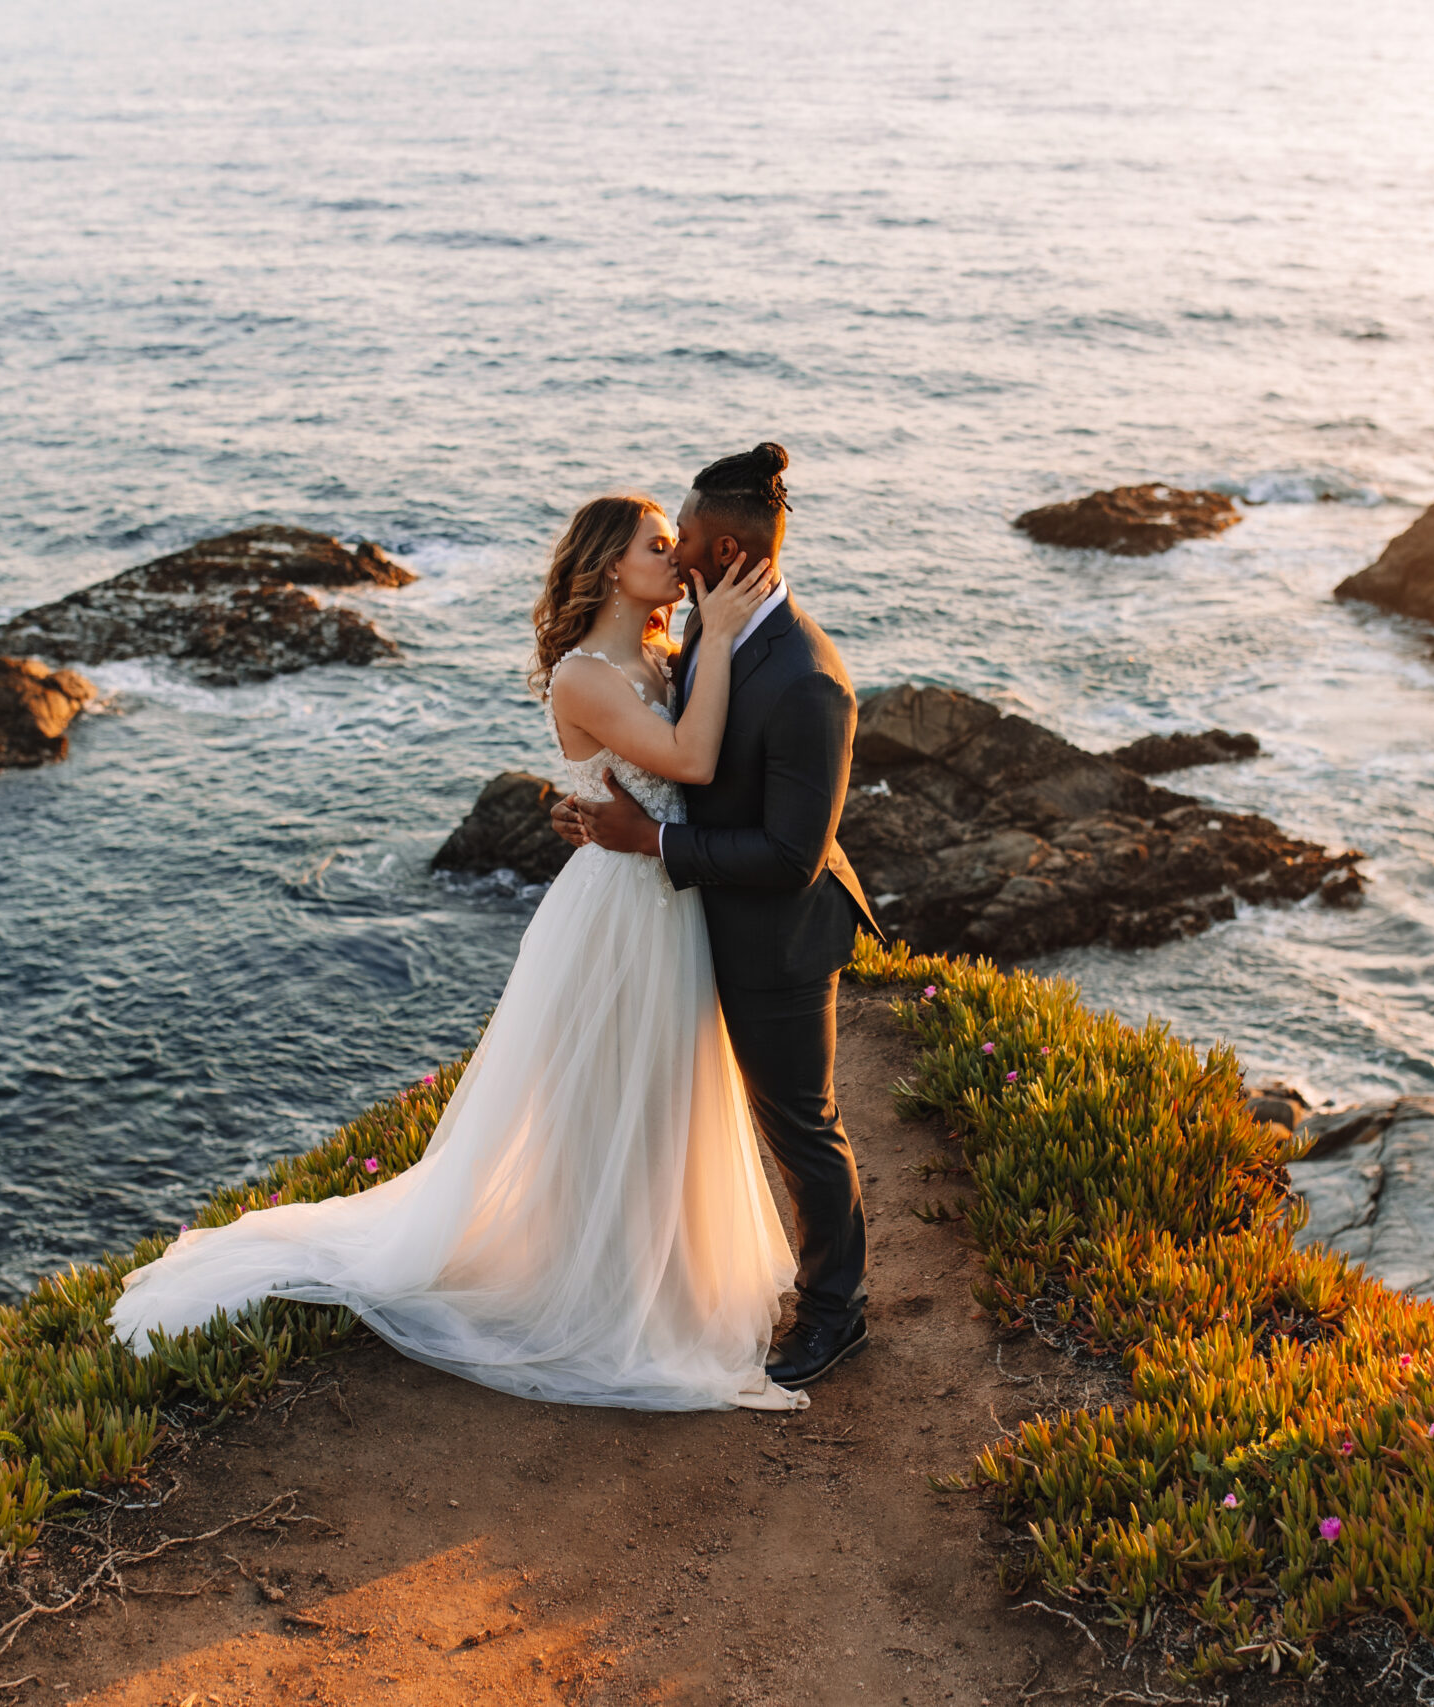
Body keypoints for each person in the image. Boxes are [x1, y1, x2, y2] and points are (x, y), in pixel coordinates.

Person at [111, 492, 809, 1411]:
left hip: (668, 898)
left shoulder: (658, 653)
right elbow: (688, 760)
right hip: (621, 914)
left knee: (666, 1091)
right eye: (659, 544)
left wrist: (710, 639)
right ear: (609, 565)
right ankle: (606, 1293)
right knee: (611, 1095)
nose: (678, 558)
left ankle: (668, 1277)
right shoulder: (582, 675)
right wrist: (717, 633)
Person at [553, 442, 882, 1389]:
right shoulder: (708, 626)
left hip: (777, 933)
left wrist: (645, 841)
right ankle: (658, 1284)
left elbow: (793, 854)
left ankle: (835, 1311)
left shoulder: (810, 678)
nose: (677, 547)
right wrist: (583, 799)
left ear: (728, 550)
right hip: (691, 921)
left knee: (799, 1124)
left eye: (686, 536)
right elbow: (652, 748)